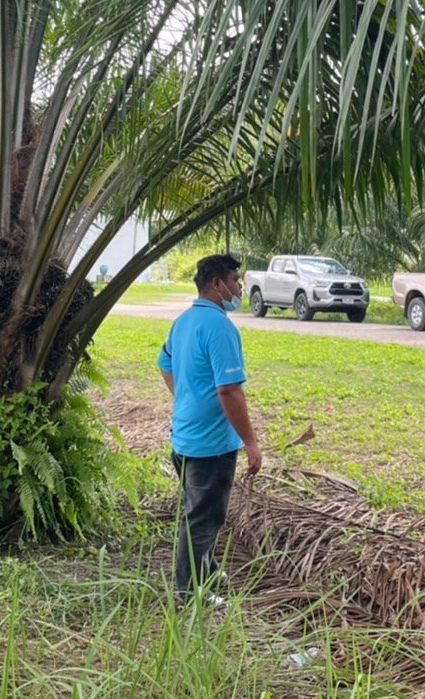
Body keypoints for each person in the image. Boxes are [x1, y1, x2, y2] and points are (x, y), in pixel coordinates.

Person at [157, 253, 262, 602]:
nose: (239, 288)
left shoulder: (183, 322)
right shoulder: (219, 327)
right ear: (217, 284)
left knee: (197, 510)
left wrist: (186, 398)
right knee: (203, 518)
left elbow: (164, 363)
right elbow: (229, 389)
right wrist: (250, 442)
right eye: (235, 281)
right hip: (211, 444)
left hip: (184, 437)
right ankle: (190, 593)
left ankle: (207, 570)